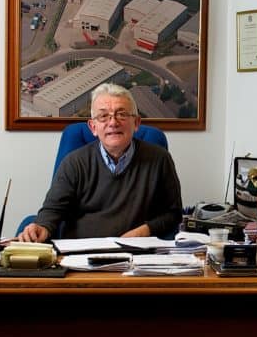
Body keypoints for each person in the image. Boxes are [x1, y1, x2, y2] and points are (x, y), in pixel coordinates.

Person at [19, 83, 183, 241]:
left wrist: (143, 232)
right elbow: (53, 210)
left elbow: (173, 213)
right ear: (93, 127)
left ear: (136, 123)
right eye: (104, 116)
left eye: (122, 114)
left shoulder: (159, 159)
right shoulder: (74, 162)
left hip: (137, 256)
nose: (113, 122)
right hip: (81, 256)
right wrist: (42, 227)